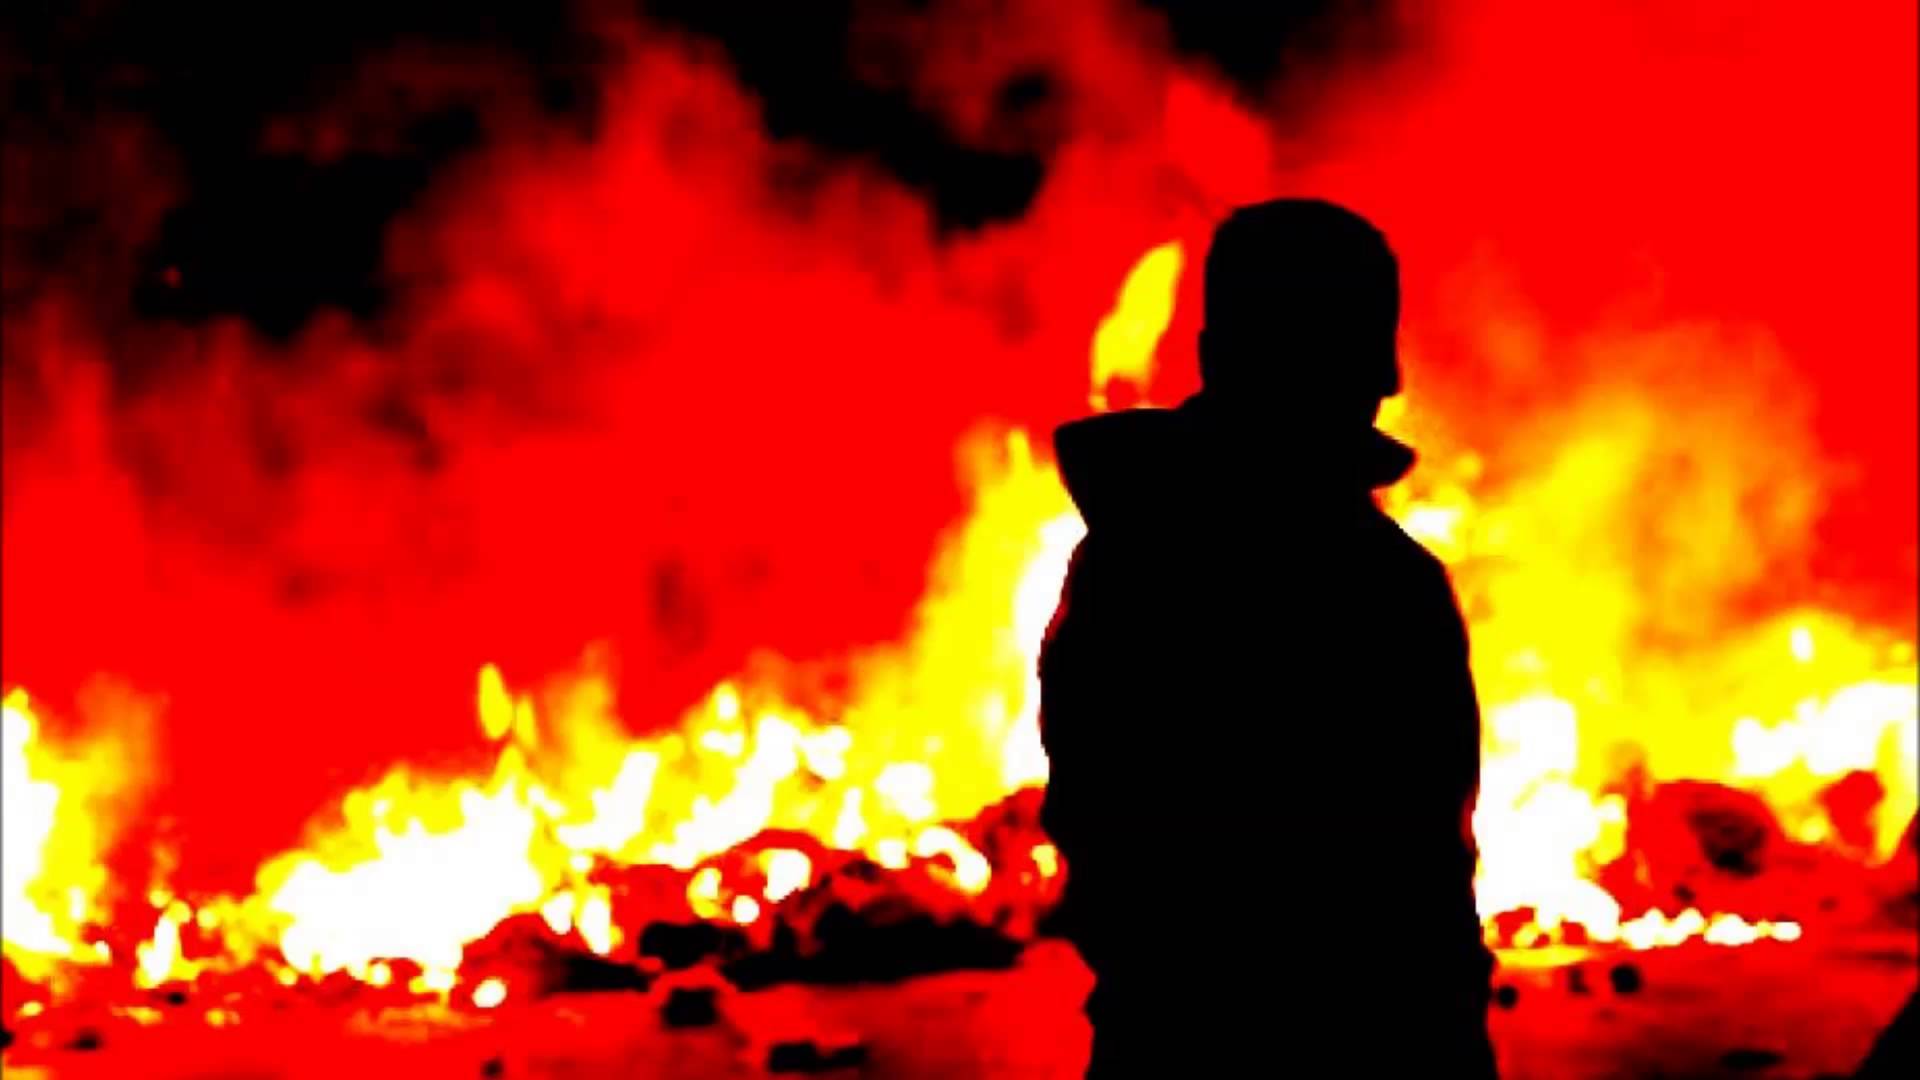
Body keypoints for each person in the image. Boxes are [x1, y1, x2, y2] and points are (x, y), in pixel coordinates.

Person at [1038, 199, 1497, 1077]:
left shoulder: (1127, 560)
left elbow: (1099, 837)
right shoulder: (1385, 588)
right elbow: (1425, 889)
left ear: (1214, 355)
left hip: (1163, 1046)